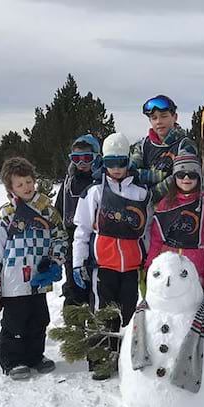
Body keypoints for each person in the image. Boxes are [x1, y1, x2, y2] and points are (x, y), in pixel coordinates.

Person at [72, 133, 153, 380]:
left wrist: (147, 260)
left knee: (128, 315)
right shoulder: (94, 192)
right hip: (103, 267)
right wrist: (78, 263)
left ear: (128, 160)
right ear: (103, 162)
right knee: (103, 314)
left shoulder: (140, 194)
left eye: (120, 162)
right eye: (110, 163)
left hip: (130, 267)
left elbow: (147, 229)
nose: (116, 168)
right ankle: (100, 359)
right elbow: (82, 230)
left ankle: (125, 359)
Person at [0, 157, 68, 380]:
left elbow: (60, 238)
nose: (26, 187)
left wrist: (55, 261)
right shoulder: (4, 215)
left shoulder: (48, 211)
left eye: (29, 181)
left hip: (39, 280)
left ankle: (35, 356)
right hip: (14, 282)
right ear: (10, 188)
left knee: (39, 319)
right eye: (20, 184)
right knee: (15, 323)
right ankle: (12, 361)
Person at [145, 152, 204, 291]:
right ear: (174, 177)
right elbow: (157, 239)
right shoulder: (166, 204)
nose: (186, 178)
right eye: (181, 174)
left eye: (191, 174)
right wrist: (151, 264)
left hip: (195, 267)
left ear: (199, 177)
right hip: (168, 265)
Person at [55, 134, 101, 307]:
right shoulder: (69, 182)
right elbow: (58, 210)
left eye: (86, 158)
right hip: (72, 239)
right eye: (76, 159)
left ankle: (97, 321)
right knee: (74, 285)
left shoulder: (101, 181)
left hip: (96, 240)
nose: (81, 164)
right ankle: (74, 324)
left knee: (95, 285)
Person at [130, 94, 197, 202]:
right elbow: (131, 171)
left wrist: (150, 195)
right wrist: (159, 175)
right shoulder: (142, 146)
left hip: (175, 206)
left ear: (175, 117)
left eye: (164, 116)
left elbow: (181, 177)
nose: (158, 122)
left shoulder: (185, 145)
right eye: (154, 118)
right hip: (144, 207)